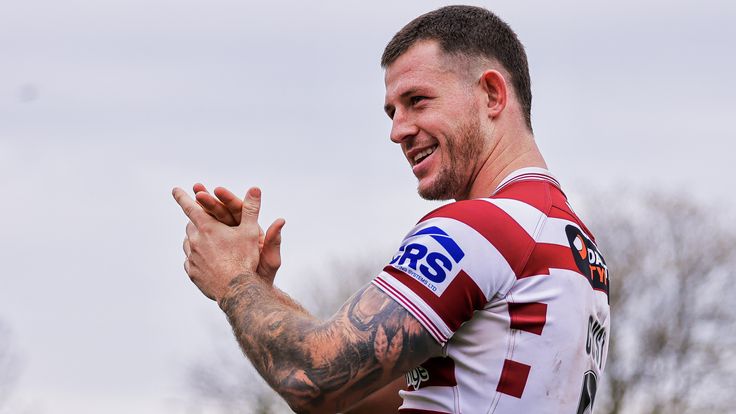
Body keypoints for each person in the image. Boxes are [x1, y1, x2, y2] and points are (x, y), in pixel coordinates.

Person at [173, 5, 610, 414]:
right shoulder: (573, 241)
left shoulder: (480, 228)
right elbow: (361, 388)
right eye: (391, 112)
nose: (398, 130)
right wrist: (259, 290)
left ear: (492, 94)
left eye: (418, 100)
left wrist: (232, 284)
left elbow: (316, 380)